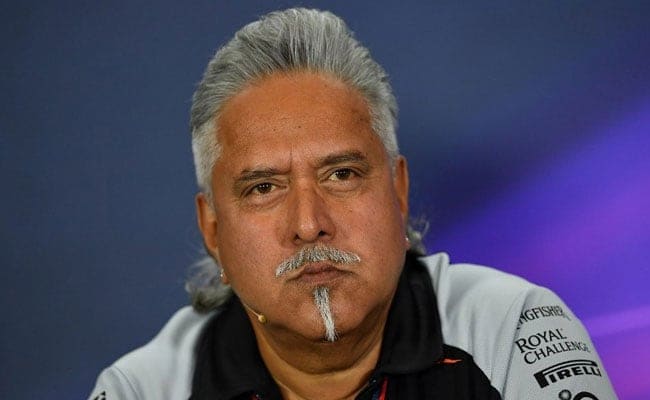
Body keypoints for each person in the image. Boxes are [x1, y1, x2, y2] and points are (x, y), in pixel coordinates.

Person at [88, 8, 617, 400]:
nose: (308, 224)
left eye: (341, 175)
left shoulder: (509, 331)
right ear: (212, 230)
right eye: (264, 188)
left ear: (399, 192)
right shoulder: (143, 388)